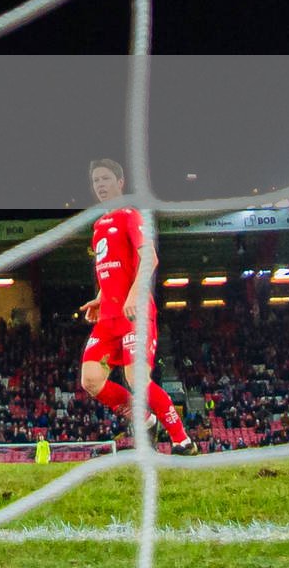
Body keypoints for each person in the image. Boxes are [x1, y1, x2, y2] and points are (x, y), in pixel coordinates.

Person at [76, 159, 196, 455]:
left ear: (121, 183)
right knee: (91, 380)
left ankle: (182, 440)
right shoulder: (98, 226)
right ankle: (144, 420)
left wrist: (133, 296)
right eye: (96, 181)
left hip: (135, 314)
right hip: (109, 319)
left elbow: (150, 259)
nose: (100, 185)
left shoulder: (131, 215)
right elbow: (113, 268)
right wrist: (101, 297)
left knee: (136, 379)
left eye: (105, 179)